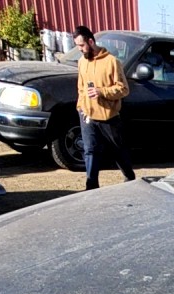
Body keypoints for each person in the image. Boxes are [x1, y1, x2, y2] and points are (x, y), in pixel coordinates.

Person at [73, 25, 134, 190]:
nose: (80, 49)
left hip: (109, 116)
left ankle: (130, 177)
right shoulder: (81, 62)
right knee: (90, 150)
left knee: (117, 150)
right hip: (87, 115)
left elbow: (123, 89)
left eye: (81, 45)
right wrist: (81, 107)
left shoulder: (112, 62)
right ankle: (91, 186)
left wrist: (102, 91)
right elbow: (81, 87)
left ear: (91, 41)